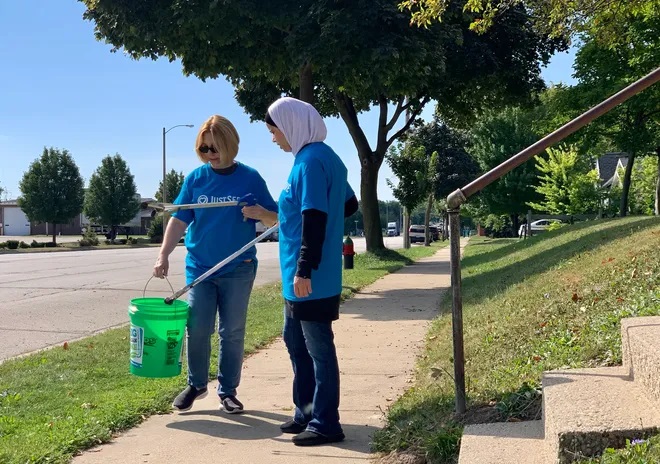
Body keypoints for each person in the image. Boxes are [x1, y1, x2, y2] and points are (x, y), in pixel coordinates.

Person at [243, 97, 358, 447]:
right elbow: (349, 203)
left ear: (291, 124)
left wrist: (305, 267)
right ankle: (305, 411)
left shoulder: (309, 162)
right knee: (295, 343)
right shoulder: (325, 158)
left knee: (318, 350)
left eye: (273, 130)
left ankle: (326, 422)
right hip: (302, 276)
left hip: (310, 277)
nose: (273, 138)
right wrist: (272, 214)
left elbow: (314, 217)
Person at [153, 115, 278, 414]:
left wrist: (259, 211)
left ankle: (228, 391)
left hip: (239, 267)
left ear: (231, 144)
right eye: (204, 149)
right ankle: (196, 384)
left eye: (216, 147)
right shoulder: (196, 179)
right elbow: (179, 218)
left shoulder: (250, 178)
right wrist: (163, 254)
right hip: (200, 269)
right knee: (197, 328)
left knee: (232, 331)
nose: (211, 154)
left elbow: (275, 218)